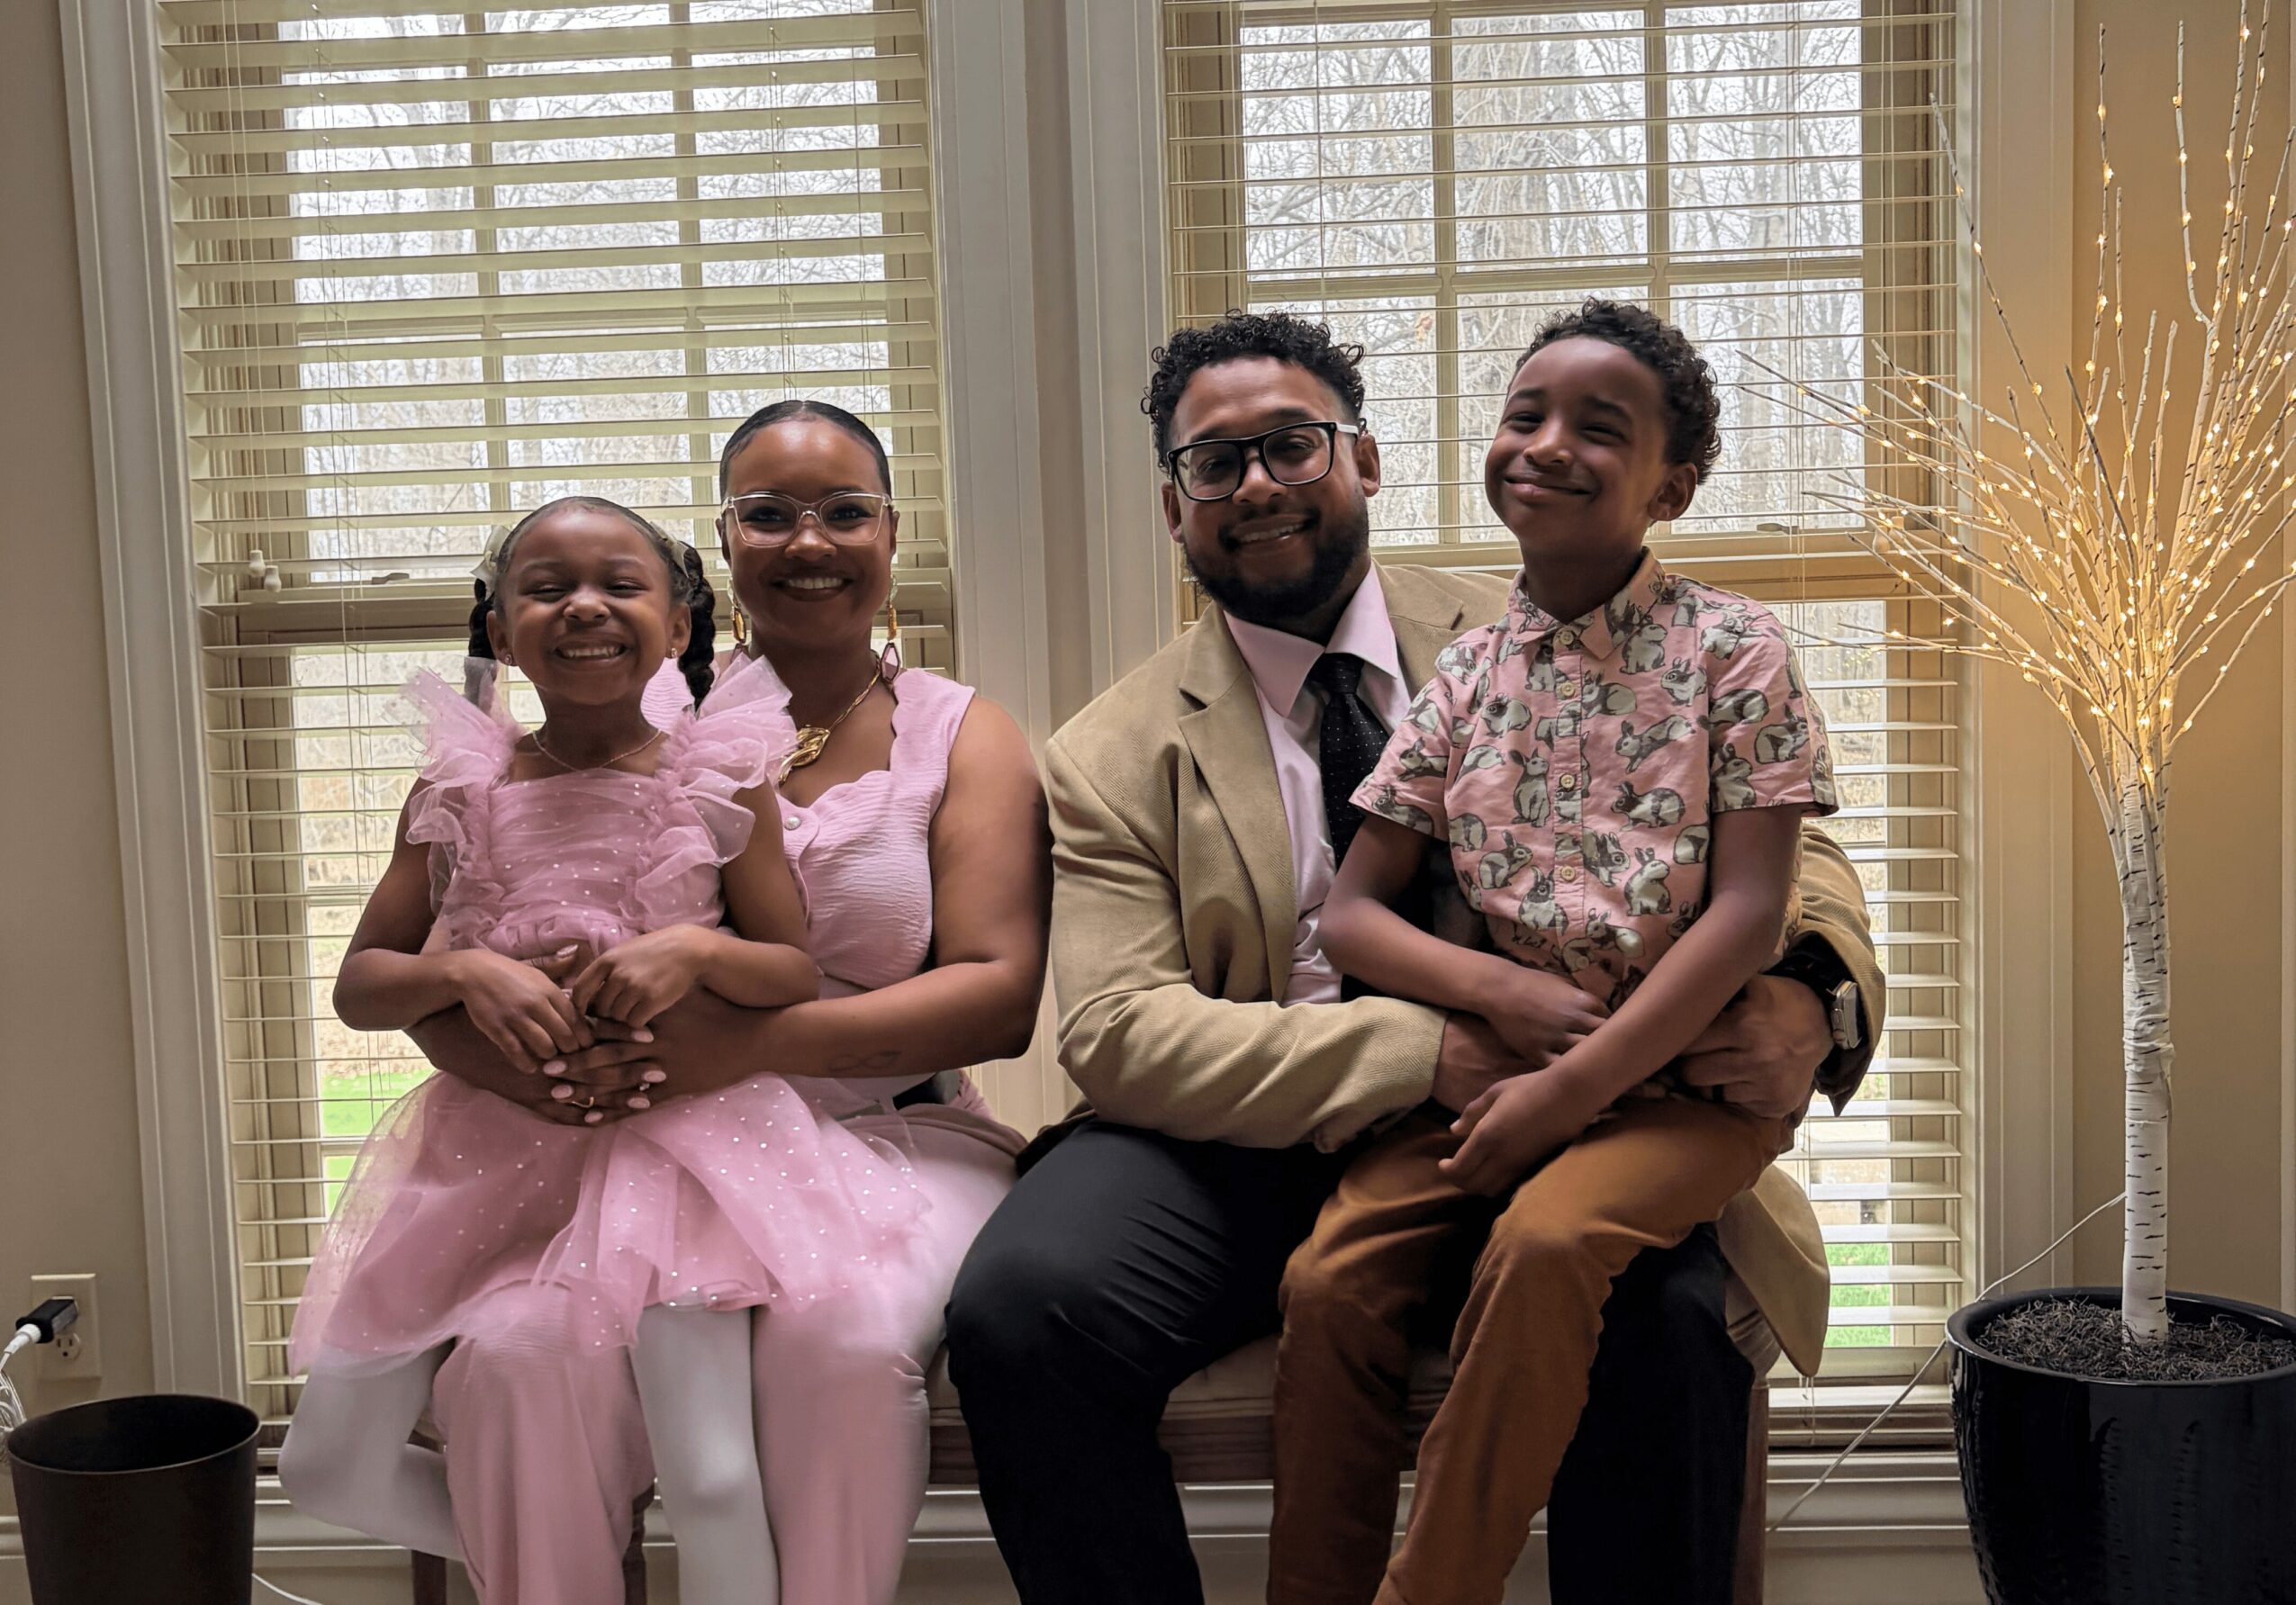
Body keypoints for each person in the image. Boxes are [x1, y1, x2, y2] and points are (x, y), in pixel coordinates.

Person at [945, 310, 1881, 1605]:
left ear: (1366, 461)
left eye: (1291, 445)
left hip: (1575, 1089)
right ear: (1174, 509)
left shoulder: (1539, 620)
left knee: (1663, 1327)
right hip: (1240, 1136)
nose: (1256, 483)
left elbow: (1785, 863)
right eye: (1215, 464)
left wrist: (1804, 990)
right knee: (1019, 1307)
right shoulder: (1108, 752)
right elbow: (1114, 1028)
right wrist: (1421, 1047)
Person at [376, 401, 1051, 1605]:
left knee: (837, 1347)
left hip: (898, 1126)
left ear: (891, 535)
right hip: (632, 1154)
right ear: (719, 548)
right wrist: (525, 1065)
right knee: (516, 1364)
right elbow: (452, 947)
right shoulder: (618, 716)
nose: (809, 540)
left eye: (845, 510)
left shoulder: (960, 732)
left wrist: (727, 1051)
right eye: (768, 513)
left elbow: (997, 999)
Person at [1279, 297, 1836, 1605]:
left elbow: (1750, 912)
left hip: (1680, 1090)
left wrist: (1571, 1090)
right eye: (1523, 414)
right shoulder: (1467, 674)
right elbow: (1352, 913)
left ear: (1672, 484)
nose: (1544, 444)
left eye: (1599, 427)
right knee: (1330, 1274)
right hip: (1511, 1067)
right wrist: (1503, 997)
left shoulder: (1734, 648)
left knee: (1542, 1244)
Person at [280, 495, 924, 1605]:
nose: (585, 608)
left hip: (682, 1163)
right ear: (500, 625)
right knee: (322, 1462)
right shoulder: (459, 788)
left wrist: (689, 949)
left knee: (713, 1473)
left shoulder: (722, 777)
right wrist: (461, 970)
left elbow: (789, 969)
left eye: (621, 585)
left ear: (679, 626)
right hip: (498, 1156)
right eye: (547, 587)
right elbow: (361, 985)